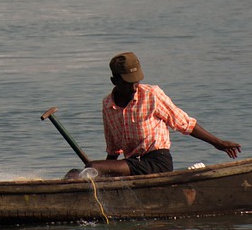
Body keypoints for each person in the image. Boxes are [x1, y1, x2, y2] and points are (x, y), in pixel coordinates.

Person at [89, 51, 241, 176]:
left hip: (157, 162)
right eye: (129, 83)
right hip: (132, 164)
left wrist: (218, 143)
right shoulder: (108, 105)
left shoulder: (152, 95)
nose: (135, 87)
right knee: (88, 170)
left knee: (93, 167)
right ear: (114, 81)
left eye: (137, 81)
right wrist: (102, 173)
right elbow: (114, 148)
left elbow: (185, 124)